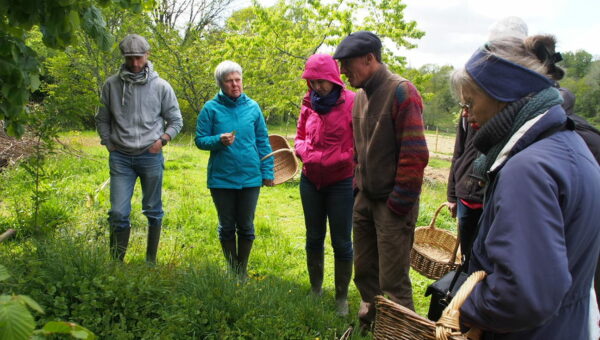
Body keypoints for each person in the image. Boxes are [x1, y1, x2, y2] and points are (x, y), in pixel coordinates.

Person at [451, 35, 600, 339]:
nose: (466, 114)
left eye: (470, 101)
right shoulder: (570, 145)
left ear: (502, 94)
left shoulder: (527, 170)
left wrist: (462, 304)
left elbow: (522, 296)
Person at [333, 31, 429, 329]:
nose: (343, 72)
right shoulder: (360, 97)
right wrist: (357, 190)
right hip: (365, 199)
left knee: (393, 282)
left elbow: (415, 155)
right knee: (364, 272)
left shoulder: (402, 91)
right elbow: (359, 151)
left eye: (347, 64)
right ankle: (373, 326)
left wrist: (398, 205)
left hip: (392, 204)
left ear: (370, 59)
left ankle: (402, 332)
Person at [446, 16, 529, 269]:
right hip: (466, 194)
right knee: (470, 256)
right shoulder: (472, 108)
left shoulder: (523, 119)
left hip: (489, 198)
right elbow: (459, 152)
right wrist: (453, 192)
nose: (469, 113)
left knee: (489, 261)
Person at [95, 34, 183, 264]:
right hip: (121, 157)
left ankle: (150, 261)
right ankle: (116, 263)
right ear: (124, 58)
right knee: (117, 213)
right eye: (130, 58)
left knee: (153, 209)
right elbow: (102, 119)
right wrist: (108, 143)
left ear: (147, 55)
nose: (135, 63)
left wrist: (162, 141)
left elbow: (176, 121)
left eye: (139, 58)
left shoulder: (161, 86)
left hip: (150, 155)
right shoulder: (111, 85)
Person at [195, 60, 274, 279]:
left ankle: (242, 269)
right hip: (221, 178)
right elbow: (200, 140)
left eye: (238, 80)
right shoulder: (211, 108)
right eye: (229, 81)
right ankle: (233, 270)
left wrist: (267, 171)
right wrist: (218, 140)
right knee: (227, 226)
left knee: (247, 226)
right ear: (220, 83)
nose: (235, 85)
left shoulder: (253, 107)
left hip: (250, 176)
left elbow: (263, 141)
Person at [294, 54, 356, 316]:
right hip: (310, 179)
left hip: (341, 182)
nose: (317, 87)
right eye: (313, 82)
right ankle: (315, 289)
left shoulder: (353, 101)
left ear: (334, 78)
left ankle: (341, 297)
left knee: (341, 242)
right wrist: (303, 151)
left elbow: (361, 141)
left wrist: (344, 157)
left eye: (322, 82)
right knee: (313, 237)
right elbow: (298, 136)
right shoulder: (308, 103)